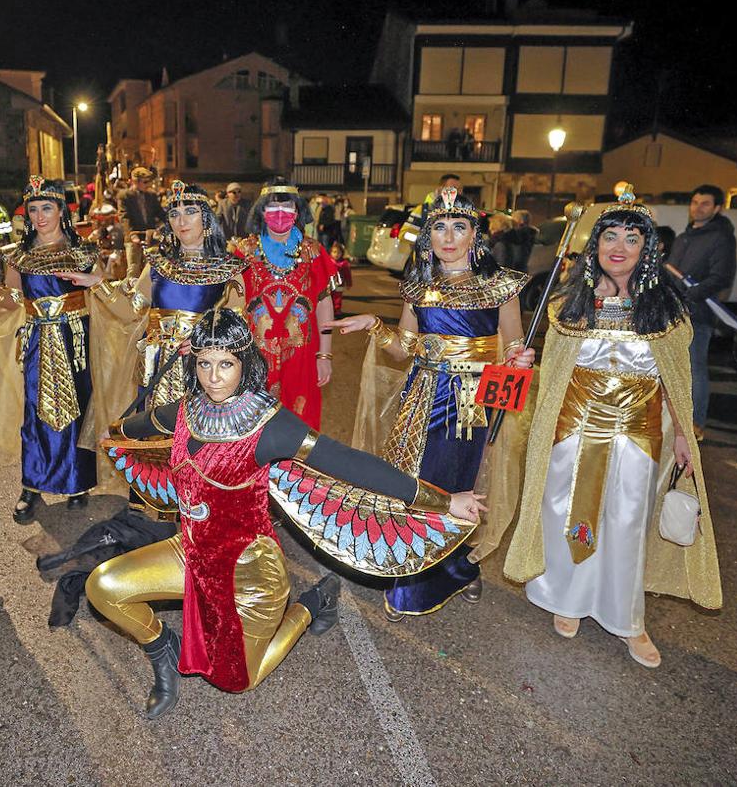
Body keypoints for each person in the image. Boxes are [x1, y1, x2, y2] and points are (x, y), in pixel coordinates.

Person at [86, 309, 483, 719]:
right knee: (104, 587)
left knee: (236, 681)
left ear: (245, 362)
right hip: (188, 553)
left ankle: (313, 602)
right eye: (204, 363)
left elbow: (350, 463)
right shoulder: (189, 409)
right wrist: (116, 432)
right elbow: (150, 421)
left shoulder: (271, 425)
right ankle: (163, 651)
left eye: (226, 364)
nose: (213, 377)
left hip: (250, 574)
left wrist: (443, 500)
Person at [503, 191, 722, 669]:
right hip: (573, 432)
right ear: (595, 244)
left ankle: (628, 620)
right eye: (609, 236)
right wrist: (525, 361)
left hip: (636, 435)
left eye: (631, 237)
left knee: (625, 525)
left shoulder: (666, 310)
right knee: (566, 516)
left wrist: (683, 433)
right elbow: (555, 373)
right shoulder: (567, 306)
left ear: (647, 249)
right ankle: (567, 599)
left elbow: (677, 382)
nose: (618, 246)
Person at [338, 185, 532, 618]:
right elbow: (402, 349)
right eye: (439, 227)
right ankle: (412, 576)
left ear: (473, 236)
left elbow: (514, 343)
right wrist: (375, 325)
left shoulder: (500, 287)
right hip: (423, 395)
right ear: (428, 238)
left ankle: (459, 567)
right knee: (416, 481)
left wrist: (521, 357)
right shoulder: (418, 288)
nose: (448, 236)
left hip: (472, 403)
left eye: (458, 226)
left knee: (464, 483)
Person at [0, 175, 103, 524]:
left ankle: (78, 483)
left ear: (62, 210)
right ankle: (32, 485)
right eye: (33, 209)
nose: (40, 215)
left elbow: (106, 293)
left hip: (75, 339)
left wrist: (98, 282)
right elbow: (14, 300)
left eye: (47, 207)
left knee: (78, 408)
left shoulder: (84, 251)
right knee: (34, 413)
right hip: (37, 340)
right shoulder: (18, 256)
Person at [72, 180, 245, 416]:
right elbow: (131, 310)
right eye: (174, 213)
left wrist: (206, 343)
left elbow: (237, 330)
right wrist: (98, 284)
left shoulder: (228, 269)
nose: (181, 221)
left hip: (203, 374)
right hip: (156, 370)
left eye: (190, 212)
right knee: (153, 440)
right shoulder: (158, 265)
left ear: (205, 218)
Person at [234, 179, 339, 429]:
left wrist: (324, 355)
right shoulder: (245, 251)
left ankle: (294, 468)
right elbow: (233, 305)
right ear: (261, 210)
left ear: (298, 211)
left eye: (287, 206)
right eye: (272, 206)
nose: (280, 212)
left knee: (299, 424)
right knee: (252, 425)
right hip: (254, 355)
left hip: (302, 354)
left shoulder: (313, 251)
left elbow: (324, 304)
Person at [665, 184, 736, 440]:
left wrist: (689, 295)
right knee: (671, 367)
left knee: (695, 368)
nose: (698, 208)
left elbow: (721, 278)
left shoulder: (721, 238)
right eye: (694, 202)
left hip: (697, 314)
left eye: (705, 203)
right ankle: (673, 420)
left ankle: (696, 423)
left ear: (717, 208)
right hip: (672, 312)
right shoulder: (685, 237)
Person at [117, 167, 167, 278]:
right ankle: (131, 292)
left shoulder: (152, 195)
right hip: (133, 235)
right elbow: (124, 216)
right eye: (145, 182)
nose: (148, 184)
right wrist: (132, 234)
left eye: (149, 181)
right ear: (135, 181)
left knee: (152, 266)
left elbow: (160, 213)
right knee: (133, 268)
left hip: (150, 235)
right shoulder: (125, 195)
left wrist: (172, 222)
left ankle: (149, 292)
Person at [329, 241, 352, 316]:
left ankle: (337, 311)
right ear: (331, 253)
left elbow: (348, 275)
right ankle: (330, 310)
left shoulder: (344, 264)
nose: (336, 254)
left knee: (337, 298)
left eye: (338, 253)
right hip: (330, 283)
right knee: (329, 298)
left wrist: (349, 284)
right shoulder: (329, 262)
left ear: (342, 254)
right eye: (334, 252)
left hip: (340, 284)